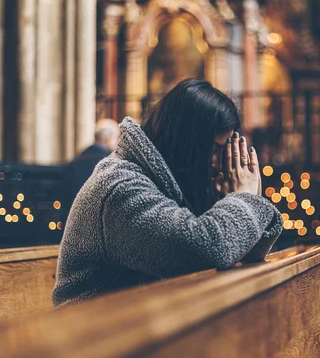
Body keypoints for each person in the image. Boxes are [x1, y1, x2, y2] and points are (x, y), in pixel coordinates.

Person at [52, 79, 283, 307]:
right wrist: (244, 199)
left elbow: (245, 252)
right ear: (185, 141)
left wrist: (245, 200)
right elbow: (207, 251)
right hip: (89, 337)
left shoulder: (170, 181)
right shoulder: (120, 187)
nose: (218, 164)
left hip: (134, 329)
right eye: (214, 150)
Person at [61, 119, 120, 220]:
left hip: (73, 218)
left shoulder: (76, 161)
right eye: (116, 138)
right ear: (109, 139)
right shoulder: (111, 163)